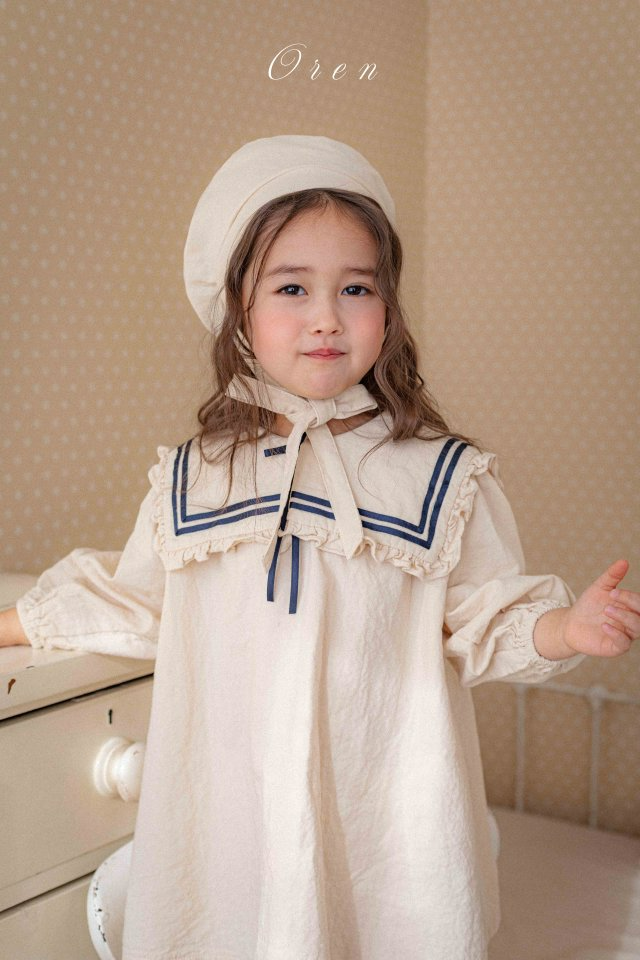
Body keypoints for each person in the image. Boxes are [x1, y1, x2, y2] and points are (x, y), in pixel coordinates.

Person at [1, 134, 638, 960]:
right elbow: (137, 601)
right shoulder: (197, 475)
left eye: (356, 288)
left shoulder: (440, 476)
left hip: (385, 813)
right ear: (239, 311)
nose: (328, 316)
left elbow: (483, 617)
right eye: (292, 287)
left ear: (388, 310)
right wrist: (13, 625)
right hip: (232, 809)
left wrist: (566, 628)